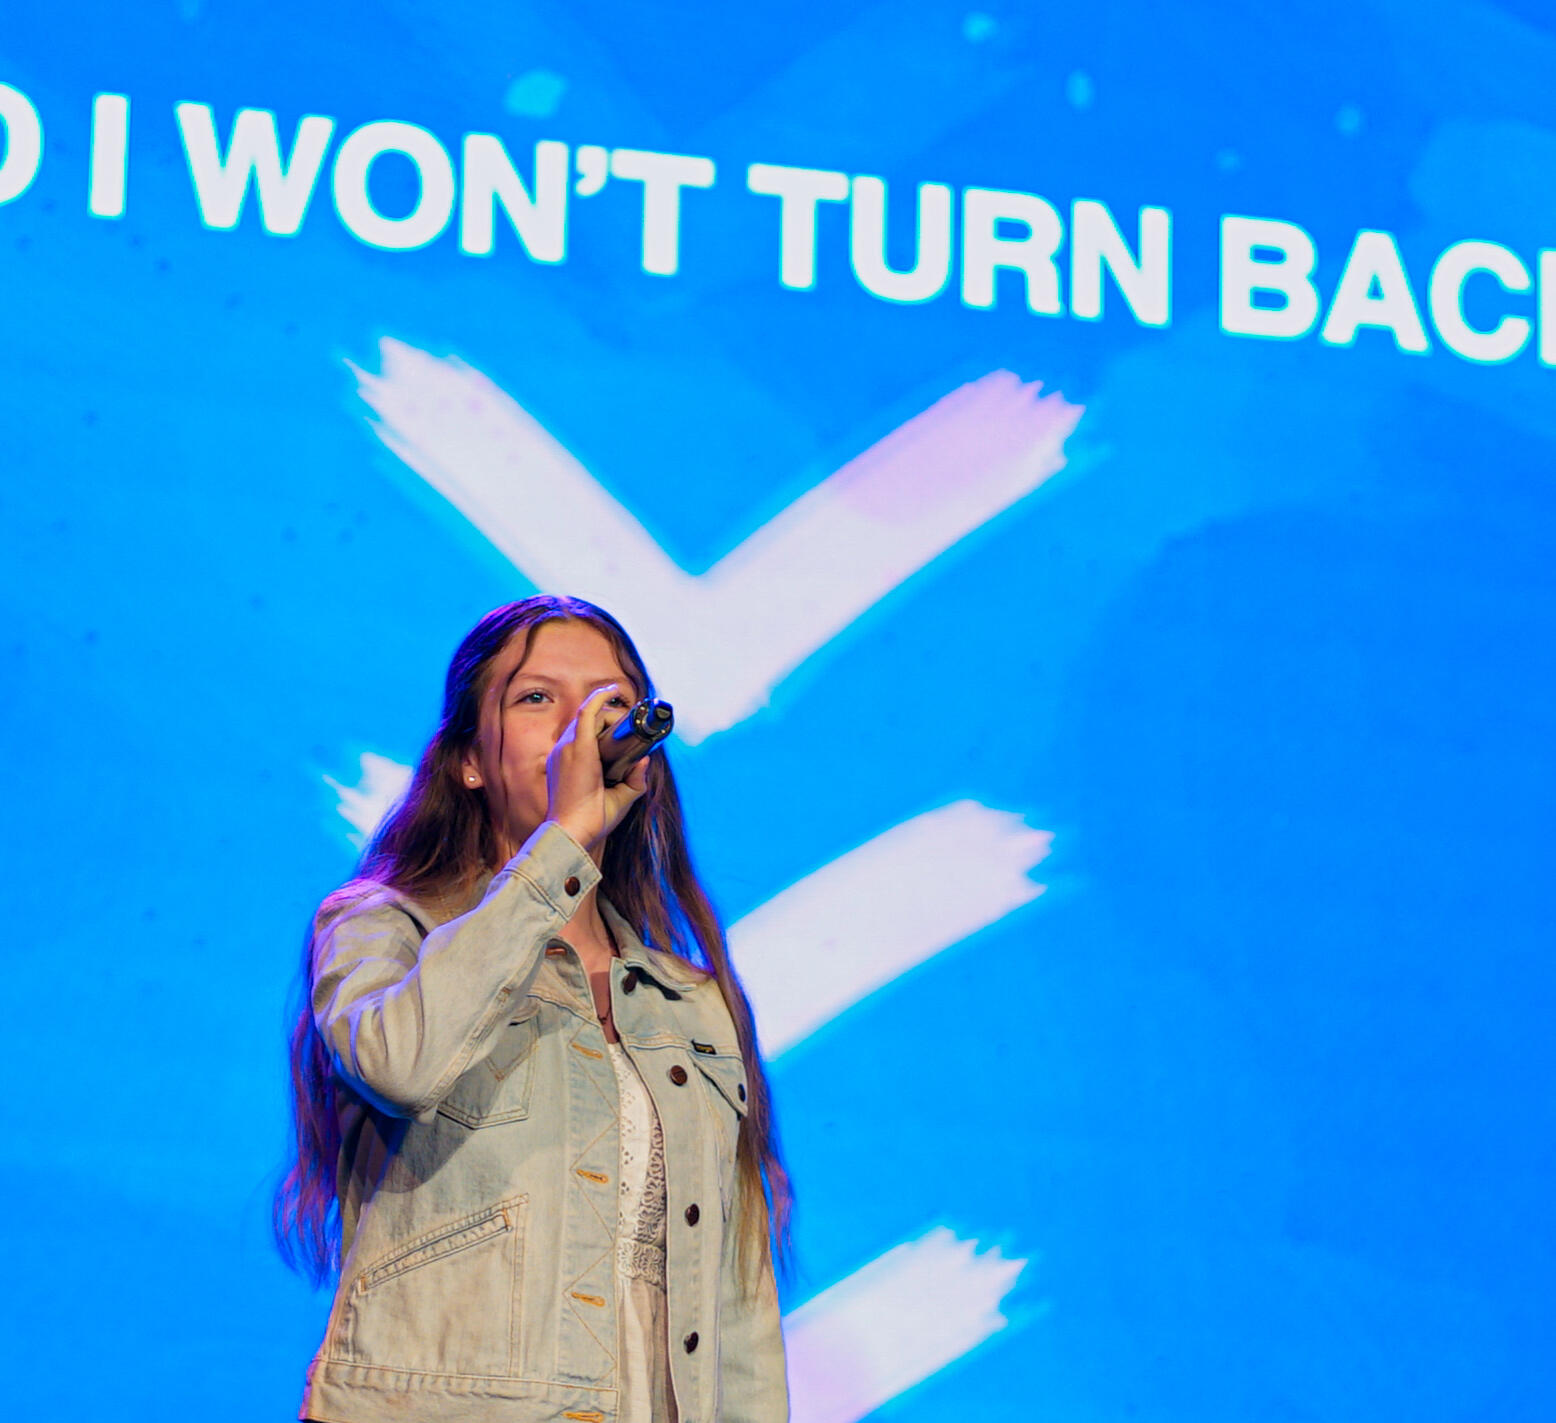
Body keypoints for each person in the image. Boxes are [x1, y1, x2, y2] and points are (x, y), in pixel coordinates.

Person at [273, 594, 791, 1423]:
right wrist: (561, 844)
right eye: (537, 697)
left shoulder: (689, 1001)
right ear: (468, 761)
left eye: (610, 701)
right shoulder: (385, 927)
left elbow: (737, 1301)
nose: (582, 725)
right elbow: (401, 1064)